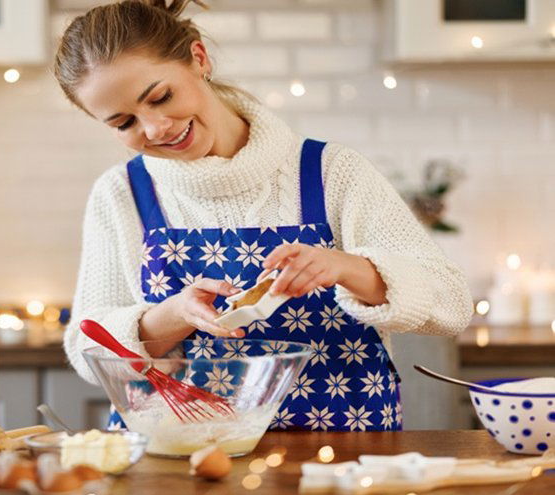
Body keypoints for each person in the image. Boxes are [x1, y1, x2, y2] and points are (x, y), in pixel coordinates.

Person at [54, 0, 473, 431]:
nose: (155, 127)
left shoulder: (331, 172)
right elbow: (88, 349)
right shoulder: (121, 193)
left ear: (199, 59)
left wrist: (348, 268)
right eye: (124, 123)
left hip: (339, 452)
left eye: (162, 97)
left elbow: (452, 304)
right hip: (180, 451)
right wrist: (176, 314)